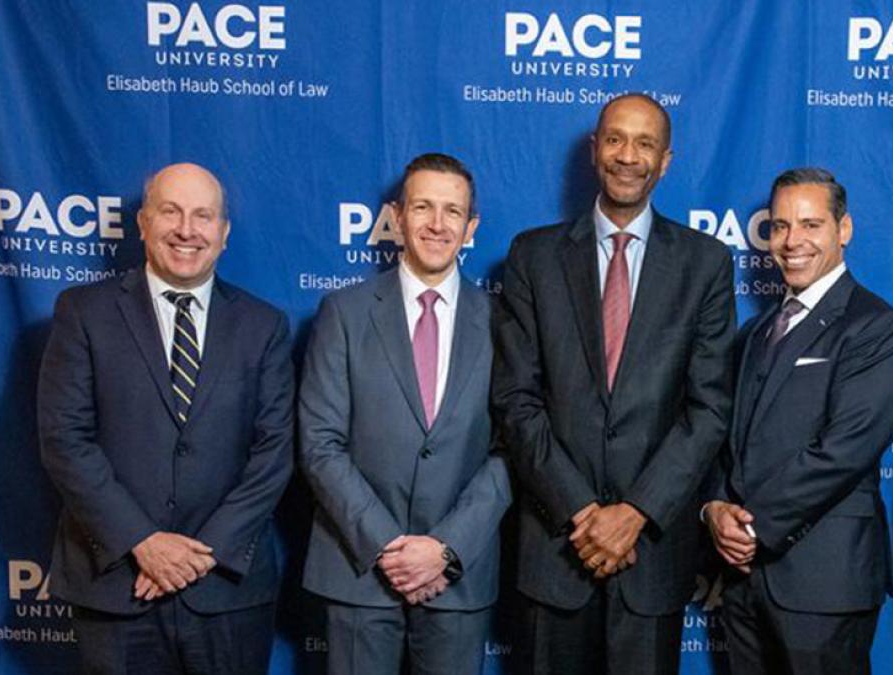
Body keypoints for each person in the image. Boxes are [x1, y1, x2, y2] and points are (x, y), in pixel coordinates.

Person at [491, 93, 735, 674]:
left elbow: (708, 409)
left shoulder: (705, 262)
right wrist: (581, 511)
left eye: (645, 142)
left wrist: (635, 513)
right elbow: (515, 401)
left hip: (651, 554)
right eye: (617, 139)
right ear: (594, 148)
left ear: (666, 160)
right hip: (555, 550)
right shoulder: (533, 255)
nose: (629, 156)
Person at [37, 162, 294, 674]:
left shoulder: (262, 325)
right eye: (171, 212)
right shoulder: (83, 312)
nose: (187, 229)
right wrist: (143, 542)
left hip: (225, 590)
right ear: (142, 223)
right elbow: (65, 439)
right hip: (117, 587)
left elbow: (274, 452)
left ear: (222, 234)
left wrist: (200, 554)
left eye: (203, 216)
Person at [299, 153, 510, 675]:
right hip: (359, 570)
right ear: (396, 216)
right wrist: (390, 547)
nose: (437, 224)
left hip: (457, 575)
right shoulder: (342, 314)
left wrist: (445, 546)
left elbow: (514, 447)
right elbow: (320, 445)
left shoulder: (505, 323)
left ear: (471, 227)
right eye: (423, 207)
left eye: (452, 212)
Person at [704, 168, 893, 674]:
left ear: (844, 230)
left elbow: (844, 450)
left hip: (823, 583)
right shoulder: (756, 332)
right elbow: (724, 439)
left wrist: (753, 531)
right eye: (779, 226)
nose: (792, 241)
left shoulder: (879, 327)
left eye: (810, 224)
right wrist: (713, 508)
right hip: (741, 582)